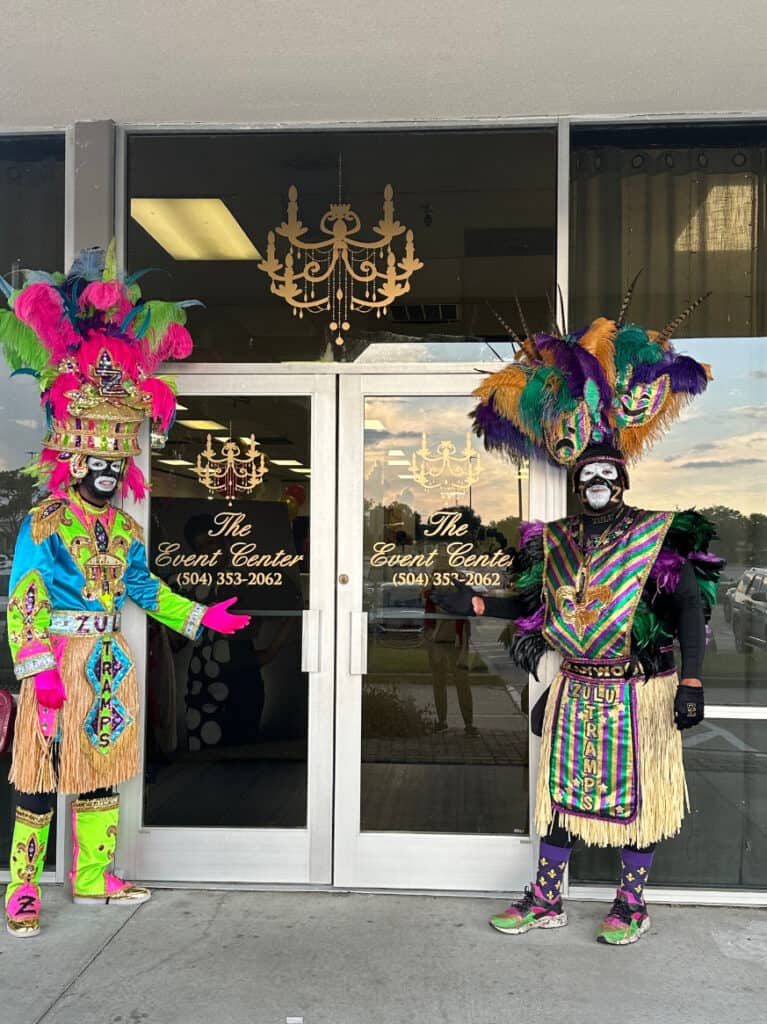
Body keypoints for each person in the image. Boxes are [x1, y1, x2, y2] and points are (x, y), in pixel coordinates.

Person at [436, 293, 723, 945]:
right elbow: (536, 606)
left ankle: (631, 903)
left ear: (619, 479)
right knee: (558, 797)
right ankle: (545, 897)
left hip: (638, 691)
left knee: (640, 803)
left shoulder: (657, 536)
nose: (595, 479)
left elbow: (685, 609)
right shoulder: (557, 540)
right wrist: (480, 604)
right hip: (576, 685)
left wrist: (693, 683)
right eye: (586, 472)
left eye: (605, 472)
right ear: (576, 479)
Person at [0, 247, 251, 937]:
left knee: (99, 765)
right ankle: (22, 885)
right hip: (55, 661)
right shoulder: (46, 521)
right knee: (37, 774)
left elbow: (140, 586)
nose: (109, 470)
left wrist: (199, 614)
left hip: (107, 662)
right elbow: (23, 598)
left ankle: (91, 875)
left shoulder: (127, 529)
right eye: (99, 460)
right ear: (74, 459)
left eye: (118, 460)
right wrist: (38, 670)